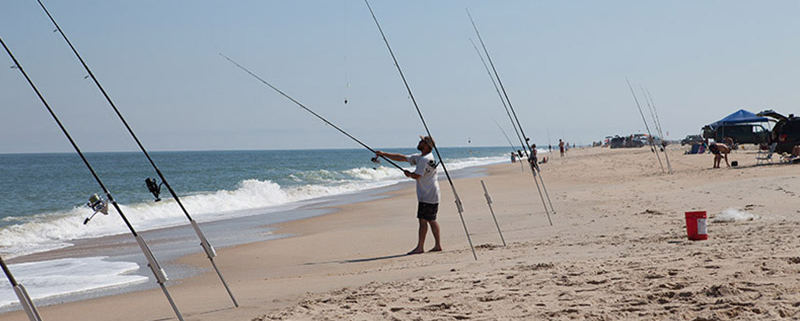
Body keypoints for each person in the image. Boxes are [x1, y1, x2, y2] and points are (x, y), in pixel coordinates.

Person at [375, 135, 441, 254]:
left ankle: (421, 247)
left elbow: (417, 176)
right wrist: (383, 154)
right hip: (430, 193)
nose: (419, 142)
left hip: (428, 194)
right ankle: (436, 245)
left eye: (421, 141)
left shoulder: (425, 159)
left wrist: (409, 174)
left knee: (424, 220)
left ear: (426, 145)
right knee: (430, 220)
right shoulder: (423, 157)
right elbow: (402, 158)